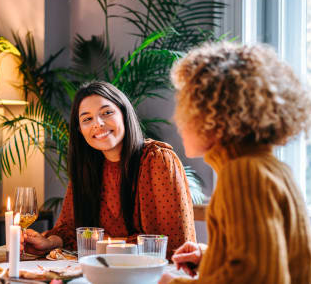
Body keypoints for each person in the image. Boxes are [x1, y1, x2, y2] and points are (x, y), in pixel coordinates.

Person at [160, 42, 311, 283]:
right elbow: (272, 254)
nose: (177, 118)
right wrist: (212, 257)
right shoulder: (271, 168)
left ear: (214, 113)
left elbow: (256, 276)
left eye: (185, 103)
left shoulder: (243, 173)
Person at [25, 81, 196, 259]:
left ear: (124, 113)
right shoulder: (87, 168)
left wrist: (101, 242)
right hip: (102, 272)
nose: (98, 124)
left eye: (107, 113)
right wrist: (49, 242)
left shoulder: (158, 159)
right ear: (80, 130)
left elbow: (174, 245)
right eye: (87, 119)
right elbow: (70, 230)